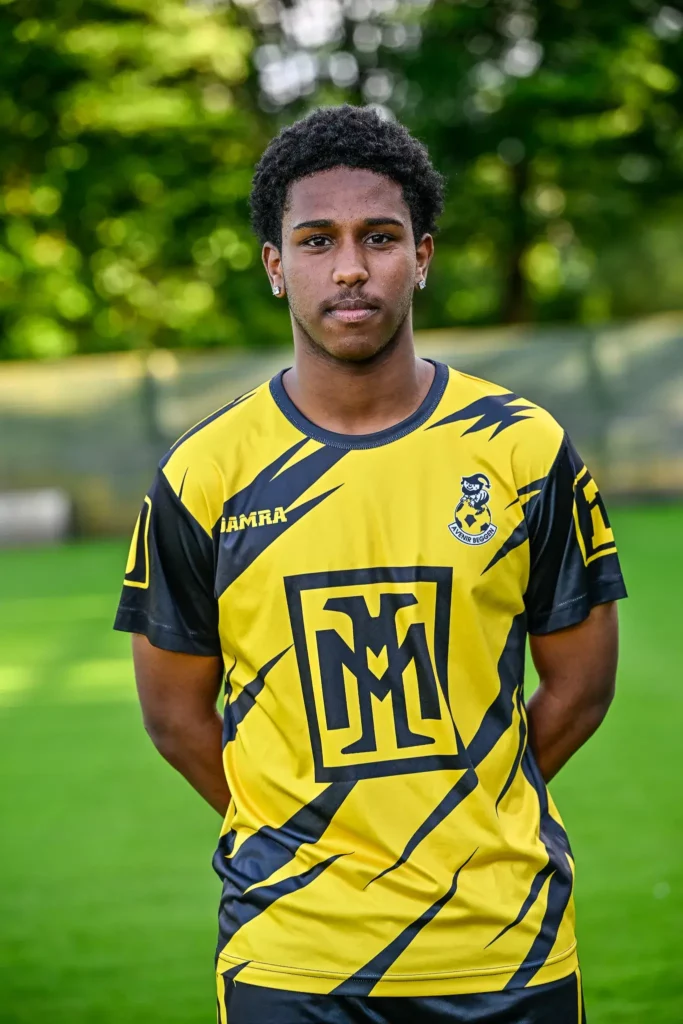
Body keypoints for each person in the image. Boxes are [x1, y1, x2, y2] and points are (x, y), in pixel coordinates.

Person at [114, 105, 627, 1024]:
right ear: (276, 267)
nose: (350, 267)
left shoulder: (519, 448)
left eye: (378, 237)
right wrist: (306, 833)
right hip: (292, 953)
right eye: (316, 240)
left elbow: (581, 688)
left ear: (421, 256)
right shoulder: (205, 474)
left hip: (503, 944)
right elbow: (174, 715)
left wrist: (464, 806)